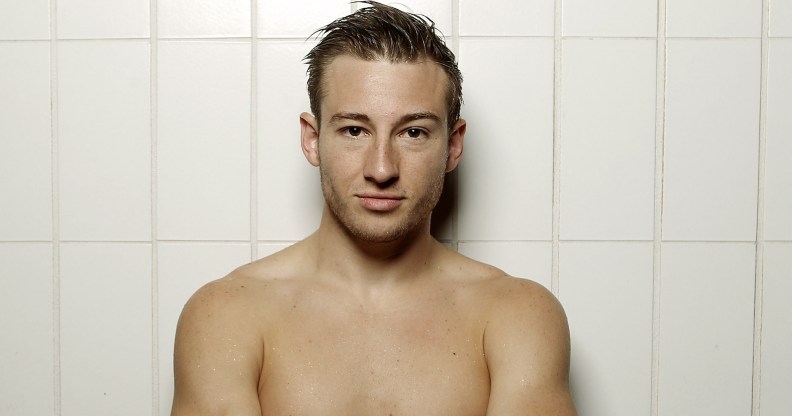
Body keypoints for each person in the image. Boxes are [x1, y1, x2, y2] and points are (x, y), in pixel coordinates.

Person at [170, 2, 576, 415]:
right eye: (354, 130)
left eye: (413, 132)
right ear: (312, 140)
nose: (381, 169)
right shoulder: (228, 314)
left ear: (453, 146)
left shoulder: (515, 316)